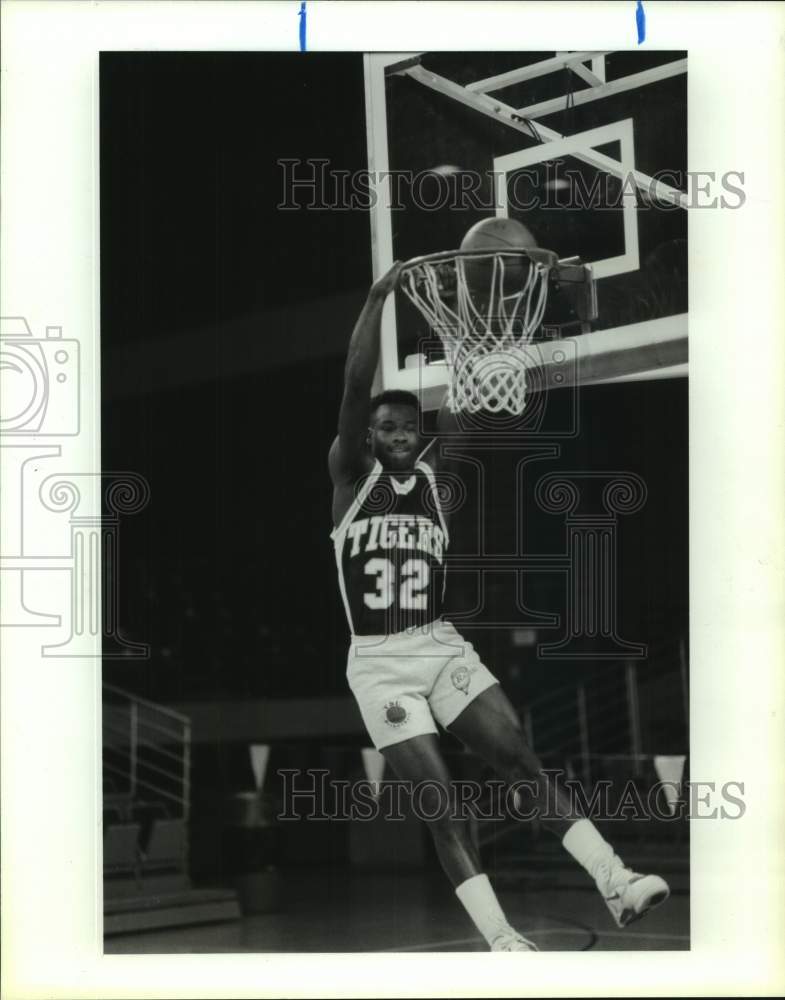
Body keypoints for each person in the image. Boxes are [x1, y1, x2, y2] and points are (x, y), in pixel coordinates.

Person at [328, 261, 670, 952]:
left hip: (441, 645)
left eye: (406, 427)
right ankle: (503, 942)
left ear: (416, 435)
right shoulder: (348, 481)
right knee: (444, 804)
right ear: (367, 439)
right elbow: (353, 382)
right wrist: (375, 298)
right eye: (384, 427)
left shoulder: (439, 475)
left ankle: (615, 880)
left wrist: (499, 298)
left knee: (521, 759)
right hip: (381, 667)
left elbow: (474, 383)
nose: (396, 434)